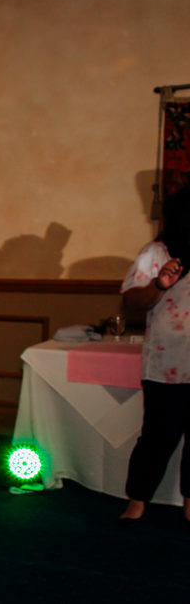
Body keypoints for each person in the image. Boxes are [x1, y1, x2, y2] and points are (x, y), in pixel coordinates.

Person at [119, 185, 190, 523]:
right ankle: (137, 500)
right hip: (168, 366)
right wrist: (160, 284)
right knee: (157, 438)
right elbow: (131, 303)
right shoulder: (157, 253)